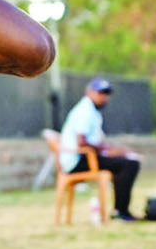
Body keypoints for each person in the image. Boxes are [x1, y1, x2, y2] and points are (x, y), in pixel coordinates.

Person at [60, 77, 141, 222]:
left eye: (107, 93)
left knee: (125, 161)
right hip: (78, 160)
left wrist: (110, 150)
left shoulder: (92, 110)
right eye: (101, 93)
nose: (104, 97)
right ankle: (121, 211)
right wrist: (106, 151)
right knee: (129, 164)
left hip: (87, 156)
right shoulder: (85, 111)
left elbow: (95, 141)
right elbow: (82, 143)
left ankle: (120, 210)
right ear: (89, 93)